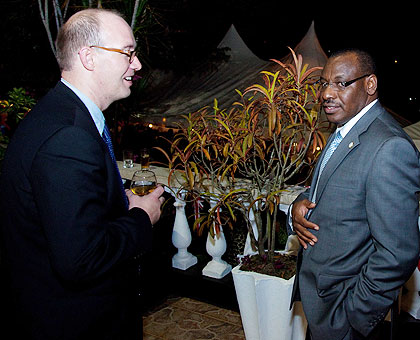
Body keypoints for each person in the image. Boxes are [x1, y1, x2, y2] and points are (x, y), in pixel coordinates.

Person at [0, 8, 164, 340]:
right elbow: (81, 258)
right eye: (128, 53)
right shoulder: (69, 137)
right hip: (75, 323)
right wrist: (140, 217)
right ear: (89, 57)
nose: (138, 65)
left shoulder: (59, 115)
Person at [289, 49, 420, 340]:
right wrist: (298, 206)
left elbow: (399, 252)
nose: (326, 93)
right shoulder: (343, 131)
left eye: (340, 83)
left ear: (370, 85)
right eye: (324, 83)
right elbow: (322, 192)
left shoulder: (389, 148)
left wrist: (354, 314)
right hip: (322, 306)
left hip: (343, 316)